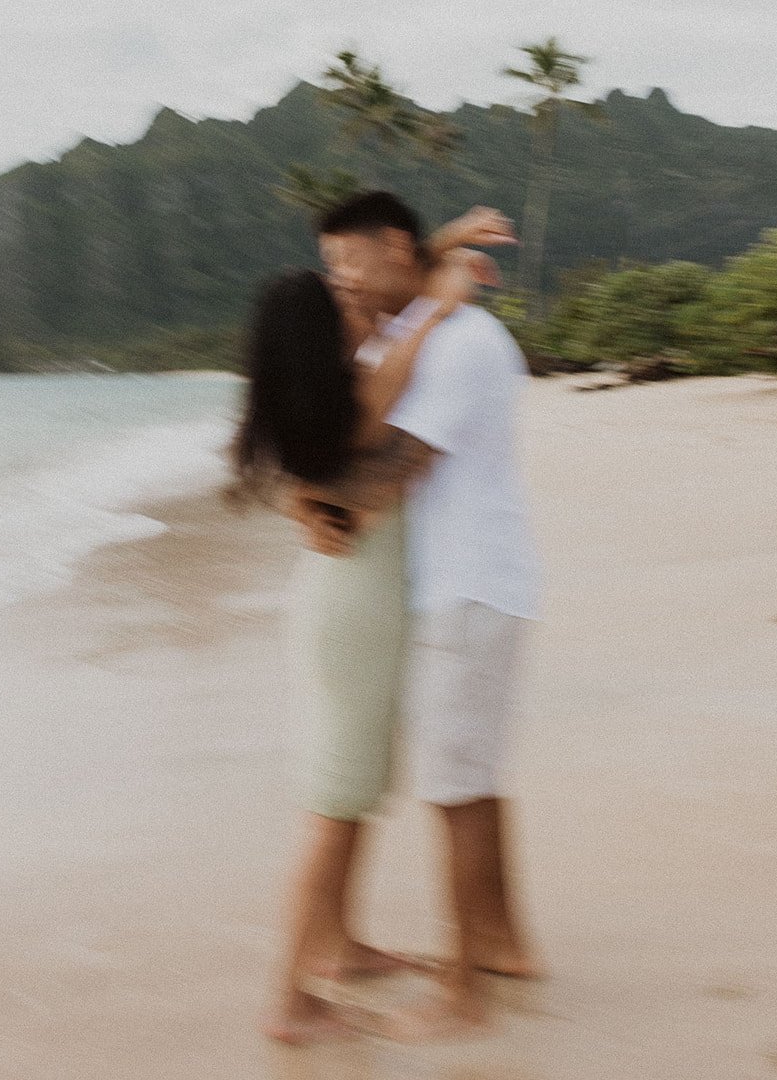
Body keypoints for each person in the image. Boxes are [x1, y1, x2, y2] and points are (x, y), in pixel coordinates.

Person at [232, 217, 500, 1045]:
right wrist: (443, 295)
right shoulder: (362, 397)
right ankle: (289, 999)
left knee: (349, 791)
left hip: (342, 607)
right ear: (326, 333)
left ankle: (340, 949)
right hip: (352, 617)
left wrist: (440, 239)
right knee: (336, 805)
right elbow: (406, 345)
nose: (362, 298)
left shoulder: (332, 394)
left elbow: (394, 294)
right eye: (342, 295)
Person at [297, 190, 545, 1038]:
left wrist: (313, 502)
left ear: (391, 248)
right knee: (468, 784)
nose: (342, 282)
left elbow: (394, 467)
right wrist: (440, 255)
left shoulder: (461, 344)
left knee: (454, 790)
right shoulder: (425, 326)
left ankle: (463, 995)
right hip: (464, 585)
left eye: (348, 263)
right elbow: (392, 323)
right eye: (329, 270)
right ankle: (503, 947)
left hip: (469, 586)